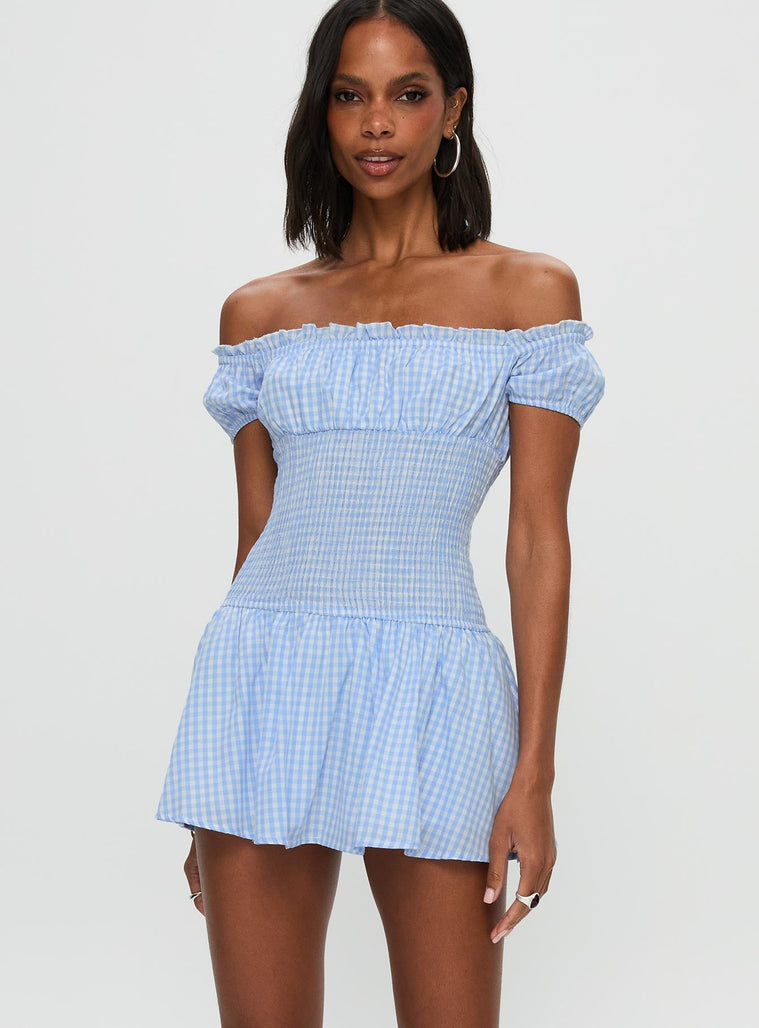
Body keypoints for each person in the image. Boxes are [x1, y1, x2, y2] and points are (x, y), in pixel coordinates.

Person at [155, 1, 606, 1024]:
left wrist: (533, 773)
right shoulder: (262, 313)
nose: (376, 123)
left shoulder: (528, 294)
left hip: (434, 686)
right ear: (320, 113)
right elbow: (258, 536)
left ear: (453, 109)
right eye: (349, 95)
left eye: (407, 95)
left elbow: (537, 539)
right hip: (261, 680)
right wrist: (221, 780)